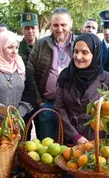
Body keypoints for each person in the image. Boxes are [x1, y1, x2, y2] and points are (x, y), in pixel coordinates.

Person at [55, 33, 109, 144]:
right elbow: (60, 108)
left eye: (85, 52)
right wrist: (75, 136)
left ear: (95, 54)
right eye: (76, 51)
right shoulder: (65, 76)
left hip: (96, 141)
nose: (78, 57)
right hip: (68, 139)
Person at [27, 8, 76, 140]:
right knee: (47, 147)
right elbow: (30, 73)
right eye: (55, 25)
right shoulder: (41, 44)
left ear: (70, 23)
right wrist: (39, 101)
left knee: (68, 146)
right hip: (47, 104)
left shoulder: (79, 43)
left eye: (63, 25)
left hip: (71, 106)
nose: (59, 29)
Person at [0, 31, 36, 132]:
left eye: (16, 47)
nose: (14, 51)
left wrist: (17, 116)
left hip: (20, 124)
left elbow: (30, 94)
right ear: (0, 47)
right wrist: (4, 118)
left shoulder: (21, 66)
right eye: (10, 47)